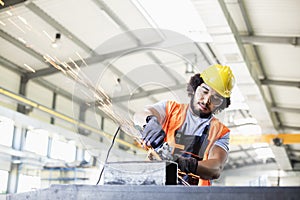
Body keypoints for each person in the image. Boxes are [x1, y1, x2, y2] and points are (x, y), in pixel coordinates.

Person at [134, 64, 235, 186]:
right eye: (205, 91)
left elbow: (216, 168)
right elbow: (139, 115)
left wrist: (183, 164)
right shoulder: (170, 110)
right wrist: (150, 121)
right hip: (154, 189)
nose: (206, 100)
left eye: (216, 98)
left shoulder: (220, 132)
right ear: (196, 87)